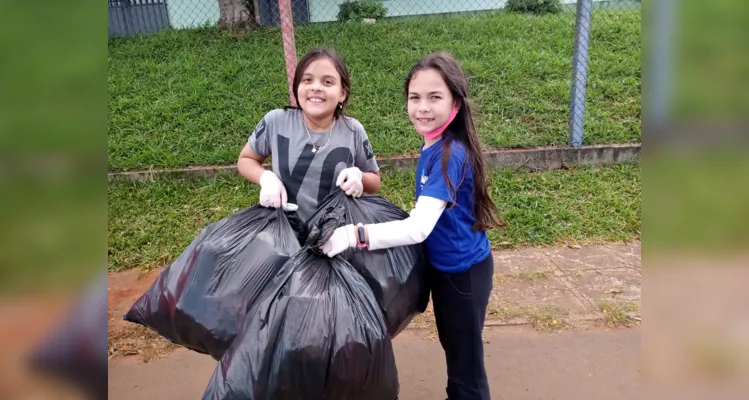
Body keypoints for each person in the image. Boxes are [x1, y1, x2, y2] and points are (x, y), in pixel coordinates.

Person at [321, 51, 506, 400]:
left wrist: (353, 234)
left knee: (466, 367)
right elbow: (429, 214)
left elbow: (418, 228)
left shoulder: (450, 155)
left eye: (435, 97)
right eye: (415, 97)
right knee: (455, 349)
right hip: (448, 269)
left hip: (462, 275)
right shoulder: (436, 146)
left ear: (455, 103)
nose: (422, 107)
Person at [237, 47, 381, 222]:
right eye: (307, 80)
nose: (316, 87)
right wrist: (266, 178)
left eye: (327, 82)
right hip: (286, 231)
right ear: (297, 86)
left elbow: (374, 182)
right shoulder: (276, 121)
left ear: (342, 93)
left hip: (338, 233)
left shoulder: (353, 130)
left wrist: (358, 176)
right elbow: (246, 160)